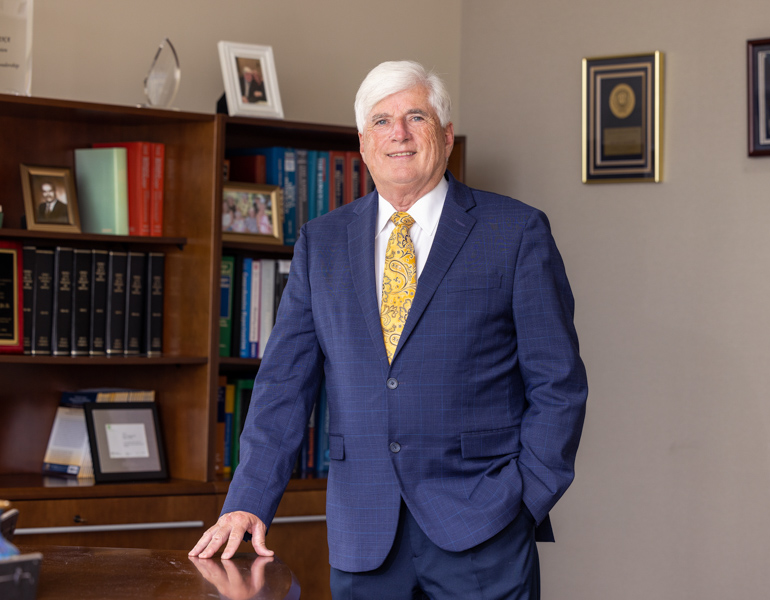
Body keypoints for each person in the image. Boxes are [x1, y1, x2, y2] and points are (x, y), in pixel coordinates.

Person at [191, 60, 588, 600]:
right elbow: (284, 385)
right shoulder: (322, 242)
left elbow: (557, 382)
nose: (397, 134)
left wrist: (525, 498)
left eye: (415, 117)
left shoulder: (515, 232)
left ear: (445, 136)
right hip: (364, 532)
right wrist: (248, 500)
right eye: (381, 121)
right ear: (362, 143)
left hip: (484, 528)